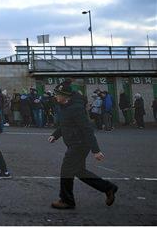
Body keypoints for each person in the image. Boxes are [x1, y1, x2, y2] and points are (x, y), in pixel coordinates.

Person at [48, 79, 118, 209]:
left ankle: (66, 200)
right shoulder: (65, 106)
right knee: (79, 172)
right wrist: (55, 135)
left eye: (57, 94)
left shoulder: (76, 108)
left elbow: (87, 129)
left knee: (66, 170)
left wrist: (96, 150)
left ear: (65, 96)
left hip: (79, 144)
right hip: (75, 143)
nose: (55, 96)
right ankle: (108, 188)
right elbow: (66, 124)